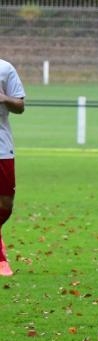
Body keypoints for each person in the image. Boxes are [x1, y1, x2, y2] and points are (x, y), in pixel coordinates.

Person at [0, 59, 25, 277]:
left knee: (6, 203)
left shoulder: (5, 69)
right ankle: (0, 259)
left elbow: (20, 106)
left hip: (2, 146)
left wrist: (4, 98)